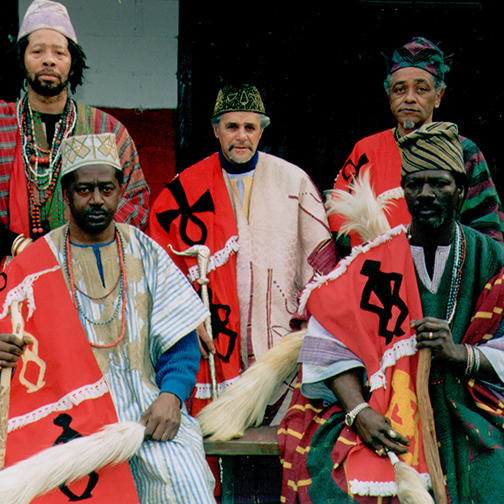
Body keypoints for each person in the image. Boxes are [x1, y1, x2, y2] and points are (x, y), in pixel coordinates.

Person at [279, 122, 504, 503]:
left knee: (490, 479)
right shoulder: (375, 260)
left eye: (440, 184)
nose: (426, 194)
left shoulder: (490, 259)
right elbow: (326, 343)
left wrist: (462, 354)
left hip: (469, 407)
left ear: (462, 191)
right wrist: (359, 411)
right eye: (414, 184)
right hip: (385, 407)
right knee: (341, 483)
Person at [0, 133, 215, 503]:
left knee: (187, 482)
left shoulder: (147, 251)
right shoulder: (35, 264)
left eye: (106, 188)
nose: (97, 199)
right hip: (70, 428)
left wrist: (172, 396)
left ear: (119, 191)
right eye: (84, 190)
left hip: (149, 416)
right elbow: (10, 330)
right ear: (66, 195)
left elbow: (181, 340)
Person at [148, 83, 336, 417]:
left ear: (261, 131)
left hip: (280, 339)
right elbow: (161, 266)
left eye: (250, 127)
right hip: (213, 341)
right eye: (232, 127)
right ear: (215, 130)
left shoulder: (294, 182)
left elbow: (321, 266)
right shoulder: (185, 189)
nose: (241, 136)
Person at [0, 0, 149, 263]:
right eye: (37, 52)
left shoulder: (107, 130)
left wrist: (83, 244)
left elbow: (136, 204)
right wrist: (18, 246)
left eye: (59, 53)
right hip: (11, 274)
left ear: (72, 62)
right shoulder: (3, 124)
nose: (48, 60)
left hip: (88, 269)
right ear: (22, 59)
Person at [329, 36, 504, 255]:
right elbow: (339, 227)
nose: (409, 98)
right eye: (399, 90)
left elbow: (487, 232)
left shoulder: (464, 152)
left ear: (438, 96)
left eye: (421, 89)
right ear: (389, 95)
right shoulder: (365, 151)